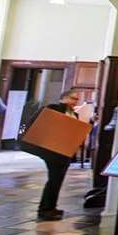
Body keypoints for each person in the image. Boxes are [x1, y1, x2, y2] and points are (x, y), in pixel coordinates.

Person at [31, 90, 80, 221]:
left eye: (76, 100)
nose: (75, 102)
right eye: (72, 98)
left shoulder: (75, 114)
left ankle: (51, 206)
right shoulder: (53, 108)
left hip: (65, 151)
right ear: (63, 98)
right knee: (54, 179)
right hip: (52, 151)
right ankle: (45, 209)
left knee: (57, 179)